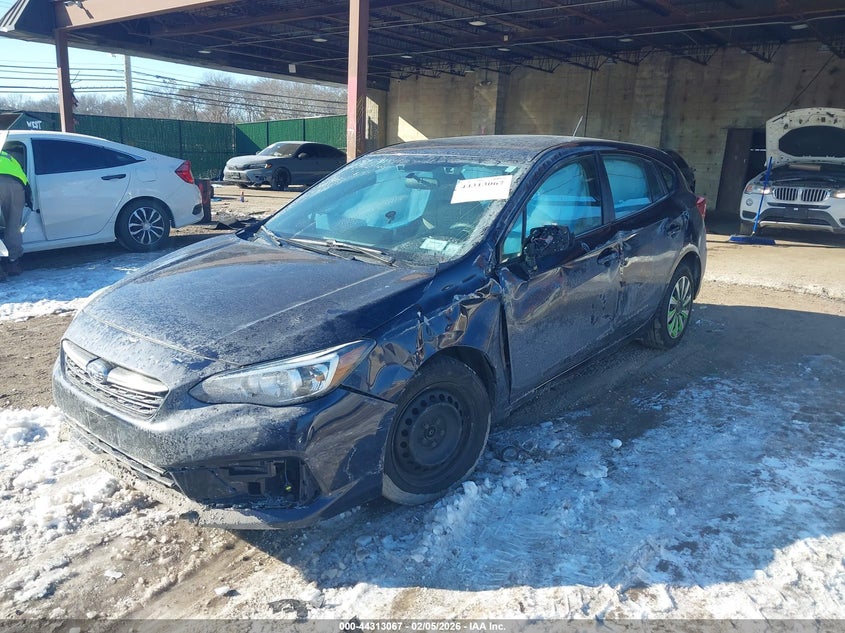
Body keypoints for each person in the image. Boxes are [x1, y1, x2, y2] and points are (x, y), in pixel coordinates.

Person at [0, 149, 29, 281]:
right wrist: (29, 198)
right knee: (13, 226)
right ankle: (13, 264)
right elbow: (24, 178)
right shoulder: (7, 156)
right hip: (16, 184)